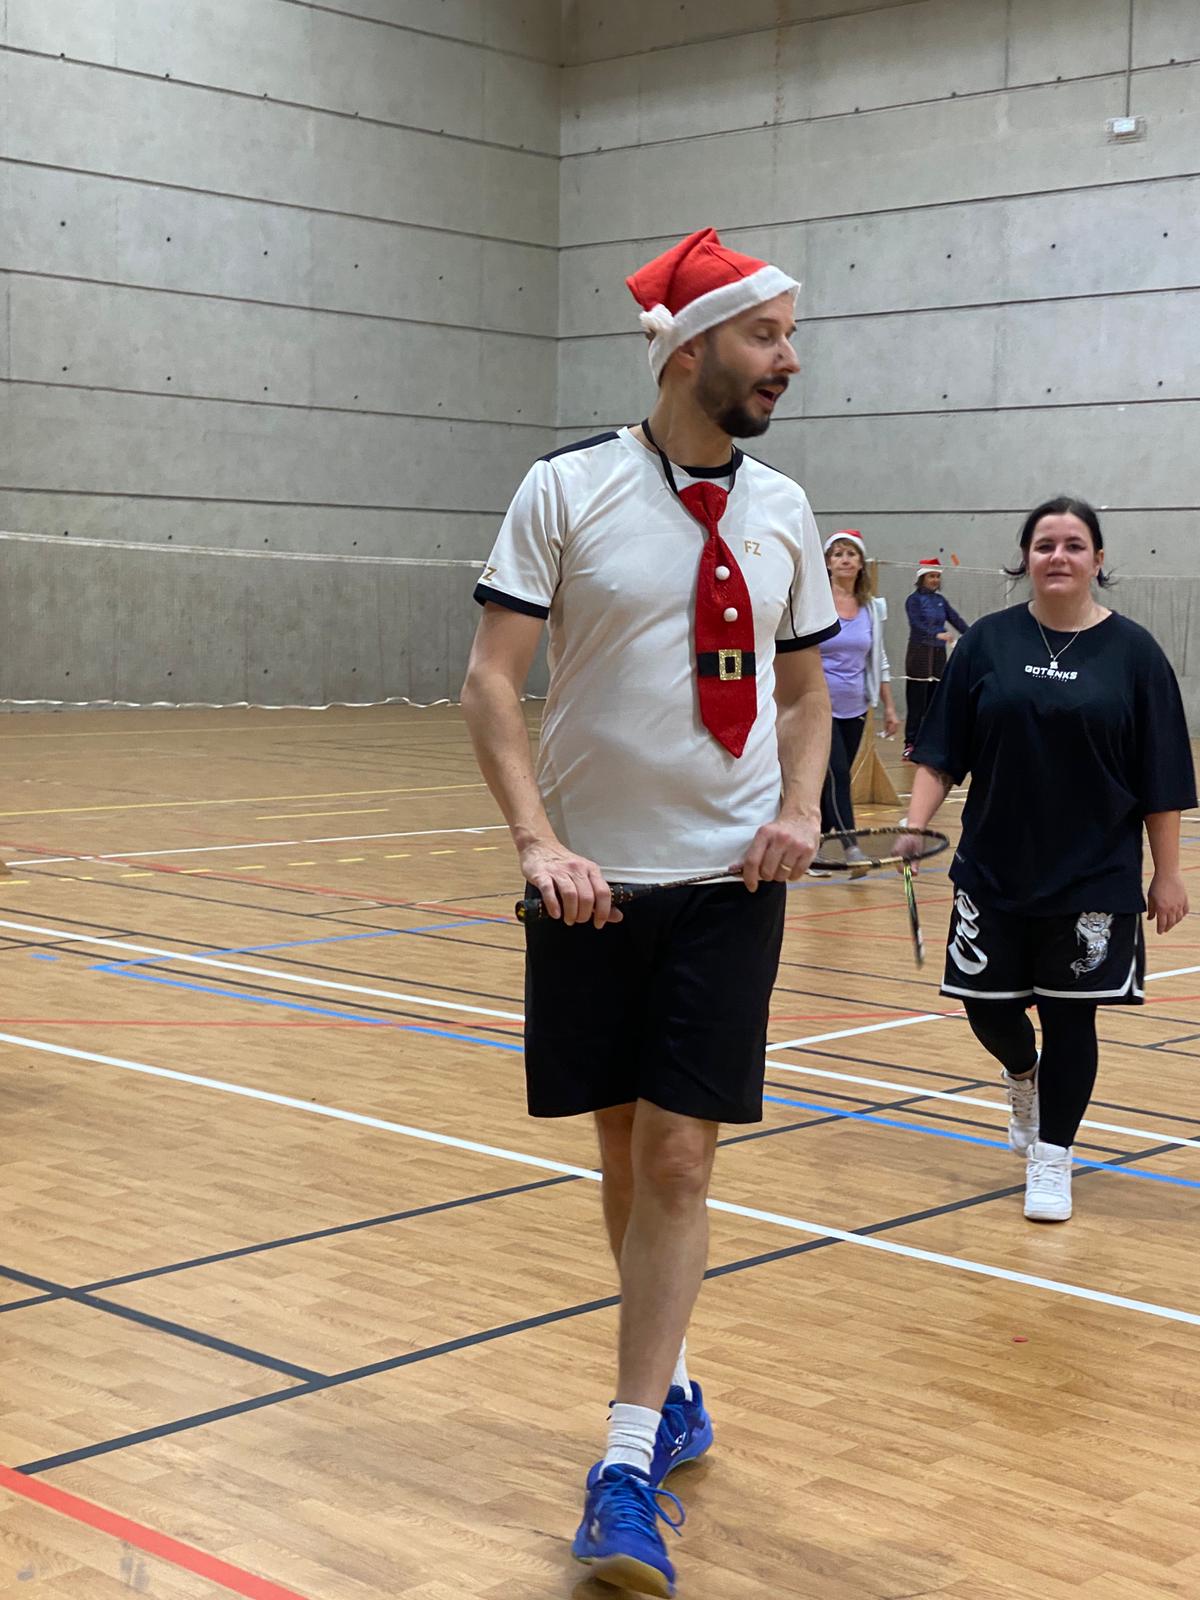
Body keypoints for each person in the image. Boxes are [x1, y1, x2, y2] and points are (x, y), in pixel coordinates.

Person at [460, 227, 838, 1595]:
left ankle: (624, 1466)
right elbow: (491, 682)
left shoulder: (785, 509)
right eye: (765, 337)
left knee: (679, 1160)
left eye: (789, 338)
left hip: (731, 885)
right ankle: (670, 1389)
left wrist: (802, 808)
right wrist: (538, 841)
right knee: (625, 1153)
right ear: (689, 351)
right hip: (593, 889)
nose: (788, 361)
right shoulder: (565, 489)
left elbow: (807, 693)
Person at [903, 496, 1195, 1223]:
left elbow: (1161, 776)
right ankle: (1022, 1073)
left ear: (1098, 559)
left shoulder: (1135, 654)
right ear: (1025, 558)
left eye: (1073, 545)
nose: (1058, 556)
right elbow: (942, 752)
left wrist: (1167, 873)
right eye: (1044, 545)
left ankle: (1053, 1157)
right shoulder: (986, 643)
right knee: (985, 1008)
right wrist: (912, 824)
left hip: (1094, 874)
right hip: (993, 868)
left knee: (1072, 1022)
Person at [810, 530, 898, 872]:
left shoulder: (872, 608)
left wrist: (889, 706)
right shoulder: (815, 604)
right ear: (828, 563)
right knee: (838, 775)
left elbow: (879, 658)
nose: (845, 560)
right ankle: (851, 848)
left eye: (851, 554)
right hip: (818, 706)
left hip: (856, 706)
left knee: (831, 780)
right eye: (838, 554)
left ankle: (814, 848)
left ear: (861, 563)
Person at [902, 557, 969, 757]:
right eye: (931, 576)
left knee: (935, 700)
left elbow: (956, 619)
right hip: (919, 653)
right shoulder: (913, 600)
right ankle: (911, 742)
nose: (935, 580)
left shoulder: (940, 601)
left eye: (937, 576)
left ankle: (928, 742)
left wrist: (972, 635)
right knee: (917, 700)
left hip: (938, 654)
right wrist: (936, 634)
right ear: (922, 578)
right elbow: (916, 624)